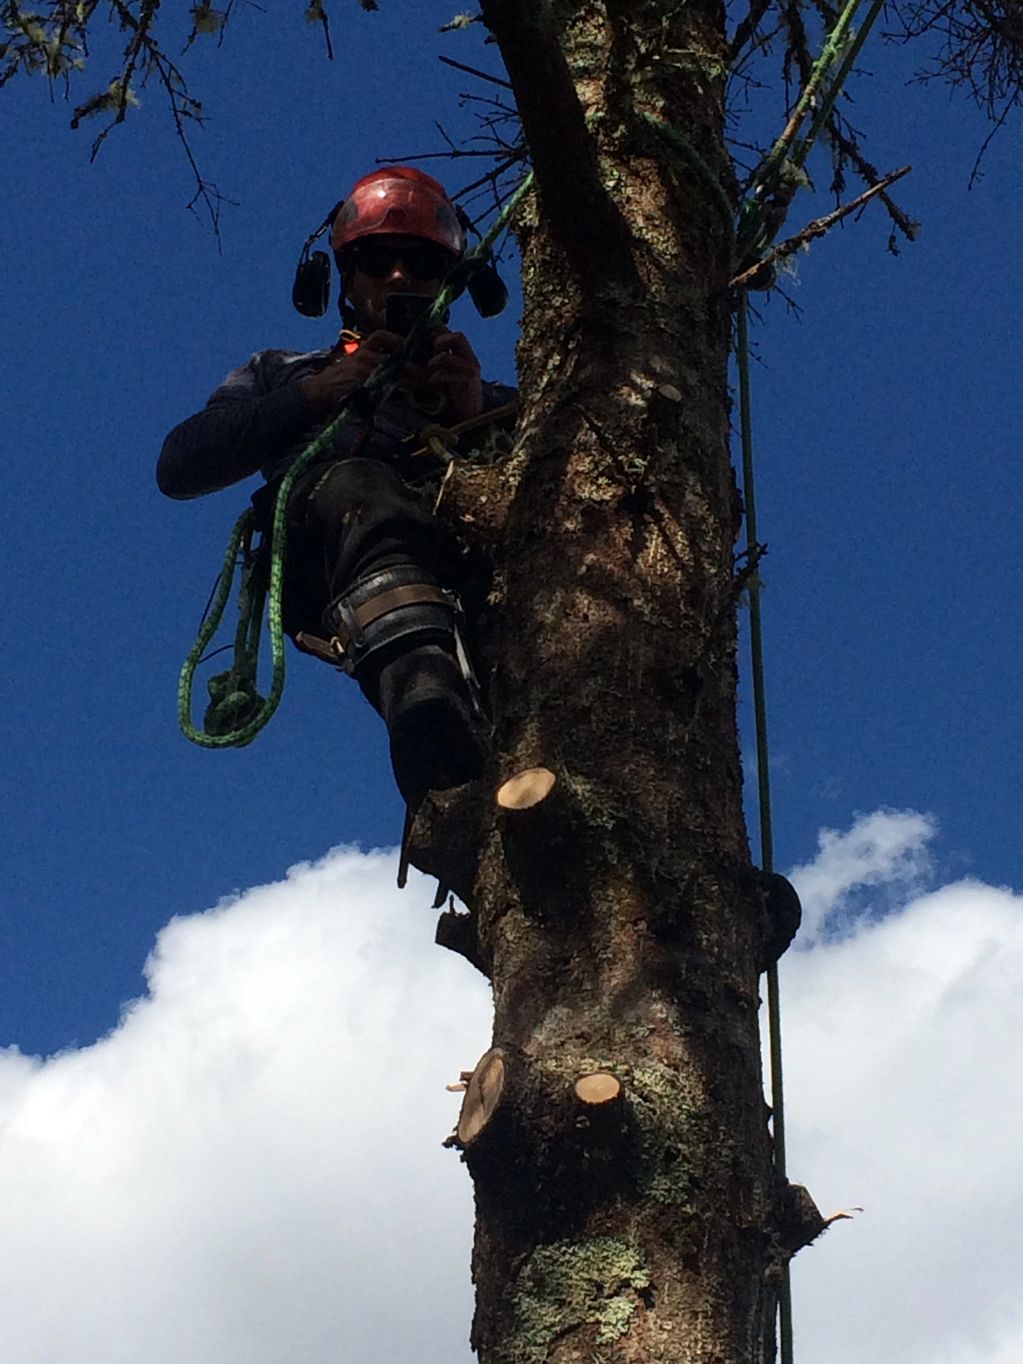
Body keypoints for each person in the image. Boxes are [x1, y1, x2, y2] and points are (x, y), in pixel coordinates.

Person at [158, 167, 516, 806]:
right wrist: (317, 394)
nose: (399, 278)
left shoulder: (488, 397)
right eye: (377, 262)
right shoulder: (283, 371)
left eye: (421, 264)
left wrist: (473, 413)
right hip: (326, 545)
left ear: (450, 282)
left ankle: (457, 761)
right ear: (344, 280)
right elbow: (181, 466)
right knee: (358, 484)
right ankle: (421, 692)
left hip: (465, 575)